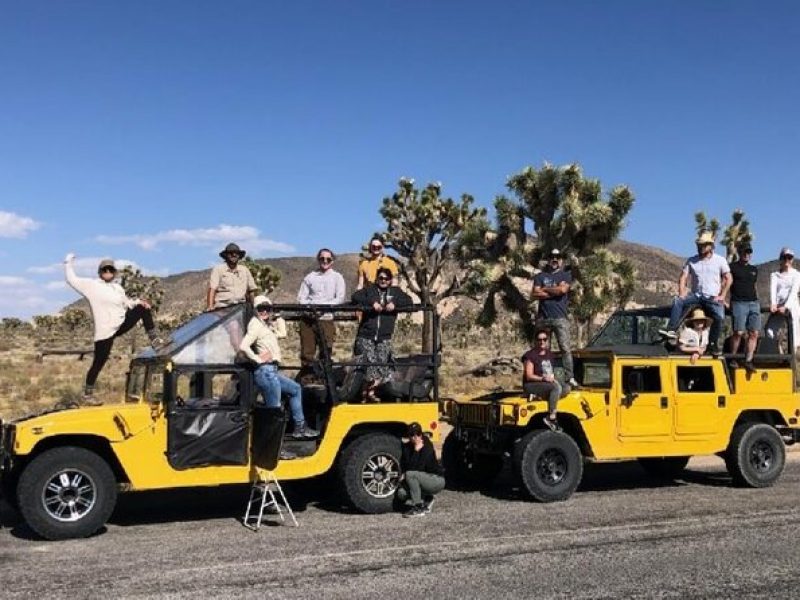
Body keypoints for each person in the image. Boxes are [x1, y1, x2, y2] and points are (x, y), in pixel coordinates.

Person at [64, 253, 165, 404]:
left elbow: (127, 303)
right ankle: (87, 395)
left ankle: (155, 340)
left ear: (115, 273)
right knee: (99, 362)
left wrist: (139, 302)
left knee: (142, 308)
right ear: (100, 272)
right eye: (105, 270)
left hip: (121, 323)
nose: (108, 272)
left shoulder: (118, 288)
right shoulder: (91, 286)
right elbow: (72, 280)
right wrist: (68, 262)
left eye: (111, 270)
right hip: (105, 331)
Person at [240, 295, 319, 441]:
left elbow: (282, 334)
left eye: (267, 308)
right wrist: (257, 358)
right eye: (261, 309)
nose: (264, 312)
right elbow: (244, 345)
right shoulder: (256, 325)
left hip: (271, 371)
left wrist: (278, 316)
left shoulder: (265, 325)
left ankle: (300, 427)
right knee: (274, 410)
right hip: (265, 371)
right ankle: (275, 447)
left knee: (295, 389)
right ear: (255, 310)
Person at [660, 231, 731, 356]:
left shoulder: (720, 260)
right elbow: (683, 277)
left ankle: (712, 344)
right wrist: (682, 292)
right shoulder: (692, 261)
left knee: (719, 316)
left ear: (710, 246)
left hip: (712, 296)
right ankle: (671, 330)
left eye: (703, 245)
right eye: (699, 245)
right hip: (696, 295)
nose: (700, 247)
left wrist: (722, 295)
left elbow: (728, 278)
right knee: (678, 301)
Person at [351, 266, 413, 401]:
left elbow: (409, 301)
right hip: (366, 335)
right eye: (381, 278)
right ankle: (368, 393)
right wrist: (372, 302)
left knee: (383, 366)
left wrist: (395, 304)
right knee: (370, 363)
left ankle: (368, 392)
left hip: (384, 336)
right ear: (377, 279)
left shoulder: (395, 292)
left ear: (390, 280)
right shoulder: (369, 290)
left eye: (386, 278)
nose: (383, 281)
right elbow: (355, 296)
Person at [531, 249, 577, 388]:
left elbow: (563, 290)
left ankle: (569, 378)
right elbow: (535, 293)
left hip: (560, 317)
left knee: (565, 348)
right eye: (552, 257)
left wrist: (545, 289)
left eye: (558, 257)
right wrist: (555, 290)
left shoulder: (566, 275)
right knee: (542, 349)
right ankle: (543, 377)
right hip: (543, 317)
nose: (555, 259)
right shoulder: (540, 276)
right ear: (549, 259)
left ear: (562, 260)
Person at [297, 248, 346, 367]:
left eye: (328, 259)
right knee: (307, 351)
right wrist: (310, 307)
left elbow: (340, 298)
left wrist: (324, 307)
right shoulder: (310, 277)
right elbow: (301, 297)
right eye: (322, 258)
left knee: (326, 350)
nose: (325, 261)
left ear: (332, 261)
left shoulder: (337, 277)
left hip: (326, 318)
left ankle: (325, 378)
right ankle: (307, 379)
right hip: (308, 318)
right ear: (318, 259)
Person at [396, 422, 445, 518]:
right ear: (408, 436)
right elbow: (406, 466)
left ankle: (418, 508)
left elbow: (419, 468)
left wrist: (416, 451)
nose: (415, 437)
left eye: (418, 434)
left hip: (436, 479)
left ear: (421, 434)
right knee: (401, 493)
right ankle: (428, 498)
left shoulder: (427, 445)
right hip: (422, 479)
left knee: (410, 474)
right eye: (412, 434)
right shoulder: (407, 449)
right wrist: (415, 451)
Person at [522, 329, 563, 431]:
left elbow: (551, 371)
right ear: (535, 341)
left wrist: (554, 378)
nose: (542, 342)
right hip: (532, 384)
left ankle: (540, 396)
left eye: (544, 339)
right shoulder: (530, 355)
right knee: (555, 388)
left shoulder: (550, 355)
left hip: (546, 384)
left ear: (547, 340)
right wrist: (543, 378)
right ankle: (551, 417)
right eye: (539, 339)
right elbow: (529, 376)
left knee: (566, 388)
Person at [728, 242, 760, 372]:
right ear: (739, 253)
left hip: (753, 303)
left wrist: (758, 300)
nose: (747, 254)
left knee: (754, 333)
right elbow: (726, 282)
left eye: (749, 252)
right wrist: (724, 299)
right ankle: (733, 357)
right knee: (738, 332)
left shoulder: (754, 269)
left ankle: (748, 360)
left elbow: (754, 287)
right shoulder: (732, 267)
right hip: (739, 302)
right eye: (744, 252)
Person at [767, 247, 800, 353]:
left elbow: (794, 291)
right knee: (770, 330)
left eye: (789, 258)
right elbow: (773, 290)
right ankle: (780, 354)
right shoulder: (775, 275)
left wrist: (786, 306)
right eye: (784, 257)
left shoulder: (796, 274)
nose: (787, 260)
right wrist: (773, 304)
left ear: (792, 260)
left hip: (792, 306)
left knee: (794, 334)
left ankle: (792, 360)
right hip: (778, 306)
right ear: (780, 259)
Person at [207, 243, 258, 311]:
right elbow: (212, 289)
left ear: (239, 256)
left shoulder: (244, 270)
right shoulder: (218, 269)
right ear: (226, 255)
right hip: (223, 308)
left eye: (236, 253)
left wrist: (252, 308)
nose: (234, 255)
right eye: (230, 253)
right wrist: (210, 307)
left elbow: (251, 290)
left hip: (240, 308)